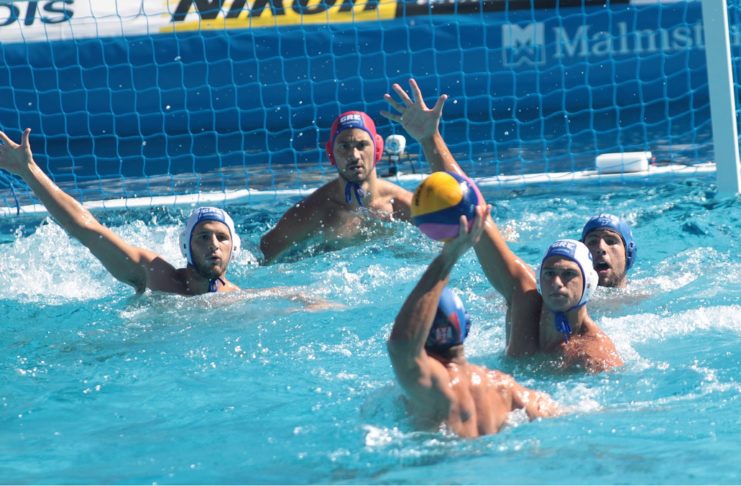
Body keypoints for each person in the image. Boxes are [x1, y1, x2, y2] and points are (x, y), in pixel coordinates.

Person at [382, 79, 623, 373]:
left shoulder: (595, 356)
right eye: (549, 273)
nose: (557, 283)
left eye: (569, 274)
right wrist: (430, 139)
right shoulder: (524, 300)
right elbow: (474, 208)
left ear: (589, 285)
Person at [0, 128, 240, 295]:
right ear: (185, 245)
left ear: (234, 248)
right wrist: (28, 170)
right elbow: (87, 229)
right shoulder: (154, 276)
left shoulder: (237, 300)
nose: (214, 244)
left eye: (222, 237)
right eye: (203, 236)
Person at [388, 204, 559, 438]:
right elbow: (559, 413)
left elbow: (402, 346)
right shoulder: (504, 387)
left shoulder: (433, 386)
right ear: (466, 327)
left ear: (420, 335)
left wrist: (446, 259)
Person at [260, 111, 413, 263]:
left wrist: (426, 138)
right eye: (344, 146)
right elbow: (261, 256)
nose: (354, 155)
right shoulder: (313, 211)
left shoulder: (402, 204)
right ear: (331, 153)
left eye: (361, 145)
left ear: (377, 148)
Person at [581, 213, 637, 288]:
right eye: (593, 242)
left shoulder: (648, 290)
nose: (601, 248)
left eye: (611, 241)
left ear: (628, 253)